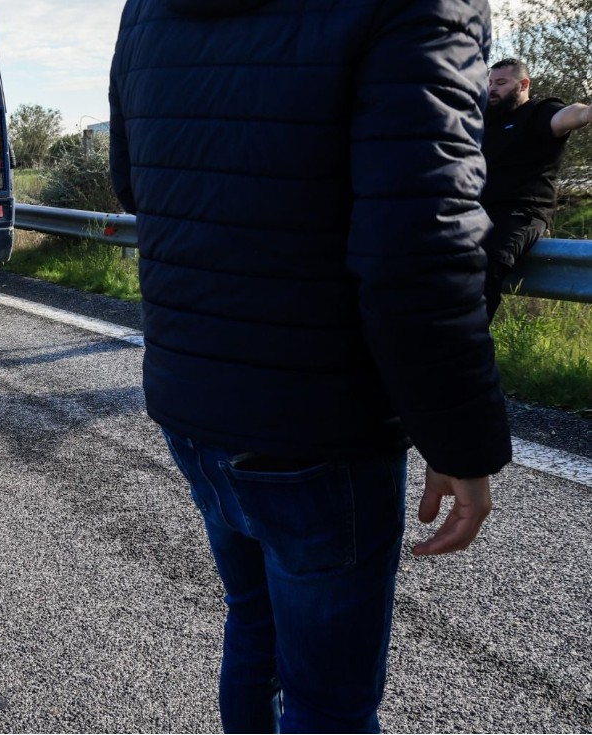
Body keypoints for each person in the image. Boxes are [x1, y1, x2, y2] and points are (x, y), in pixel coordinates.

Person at [109, 1, 511, 732]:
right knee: (329, 703)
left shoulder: (146, 7)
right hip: (317, 419)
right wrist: (459, 439)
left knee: (253, 628)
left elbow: (132, 182)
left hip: (191, 395)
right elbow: (420, 246)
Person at [481, 58, 592, 321]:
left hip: (520, 213)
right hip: (478, 211)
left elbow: (568, 115)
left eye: (501, 83)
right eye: (490, 83)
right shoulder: (483, 118)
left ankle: (465, 349)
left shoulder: (539, 112)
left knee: (485, 267)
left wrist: (586, 113)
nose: (493, 89)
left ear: (523, 84)